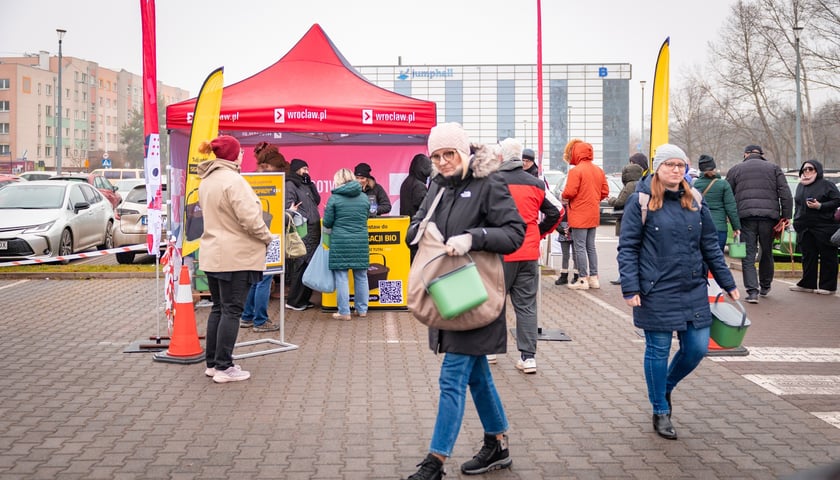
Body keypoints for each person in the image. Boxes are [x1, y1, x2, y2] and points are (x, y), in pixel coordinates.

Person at [403, 123, 525, 480]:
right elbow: (416, 223)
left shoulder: (489, 183)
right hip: (447, 295)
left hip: (475, 296)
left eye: (448, 154)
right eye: (436, 156)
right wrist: (420, 231)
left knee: (452, 377)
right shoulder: (437, 187)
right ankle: (497, 444)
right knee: (479, 378)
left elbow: (514, 233)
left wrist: (474, 238)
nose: (442, 161)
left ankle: (435, 462)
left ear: (464, 152)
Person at [617, 143, 740, 440]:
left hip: (692, 287)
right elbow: (628, 248)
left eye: (680, 165)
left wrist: (728, 282)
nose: (676, 170)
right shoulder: (641, 201)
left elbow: (710, 244)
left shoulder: (695, 199)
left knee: (696, 348)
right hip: (655, 289)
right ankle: (660, 409)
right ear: (657, 167)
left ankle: (666, 386)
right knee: (658, 350)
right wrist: (630, 286)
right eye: (669, 165)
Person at [197, 135, 273, 383]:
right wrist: (267, 237)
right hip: (236, 256)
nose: (242, 156)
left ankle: (213, 363)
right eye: (240, 152)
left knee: (219, 309)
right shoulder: (233, 181)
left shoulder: (207, 180)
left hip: (212, 253)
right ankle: (224, 367)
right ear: (232, 154)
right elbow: (251, 219)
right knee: (232, 311)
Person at [496, 138, 560, 374]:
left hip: (499, 251)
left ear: (501, 157)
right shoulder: (537, 184)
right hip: (528, 251)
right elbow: (558, 211)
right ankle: (528, 357)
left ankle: (492, 350)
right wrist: (540, 232)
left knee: (495, 302)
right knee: (526, 305)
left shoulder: (491, 183)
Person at [725, 144, 793, 303]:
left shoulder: (736, 169)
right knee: (767, 251)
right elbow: (785, 193)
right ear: (762, 154)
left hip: (745, 216)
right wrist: (786, 216)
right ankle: (765, 285)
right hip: (769, 217)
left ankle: (752, 291)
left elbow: (727, 195)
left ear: (745, 154)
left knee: (748, 255)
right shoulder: (774, 168)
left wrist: (731, 217)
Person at [239, 142, 288, 332]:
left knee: (257, 278)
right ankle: (260, 321)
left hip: (254, 235)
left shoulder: (250, 181)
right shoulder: (273, 181)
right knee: (264, 280)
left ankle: (247, 316)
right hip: (268, 235)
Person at [561, 139, 610, 290]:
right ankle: (594, 278)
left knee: (579, 247)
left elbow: (569, 192)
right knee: (591, 247)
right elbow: (605, 192)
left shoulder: (576, 171)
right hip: (593, 213)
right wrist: (593, 199)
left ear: (576, 153)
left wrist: (563, 196)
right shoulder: (598, 170)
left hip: (578, 214)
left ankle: (583, 279)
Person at [323, 168, 370, 321]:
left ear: (338, 181)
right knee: (361, 276)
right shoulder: (364, 198)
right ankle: (362, 309)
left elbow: (328, 222)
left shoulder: (334, 198)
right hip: (360, 240)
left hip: (340, 241)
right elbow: (366, 217)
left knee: (342, 276)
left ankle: (344, 312)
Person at [790, 159, 840, 294]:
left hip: (824, 226)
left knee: (828, 257)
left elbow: (837, 200)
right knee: (808, 256)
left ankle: (828, 286)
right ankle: (807, 284)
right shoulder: (801, 185)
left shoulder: (827, 185)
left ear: (817, 171)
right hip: (805, 227)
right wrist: (796, 221)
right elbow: (799, 205)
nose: (807, 172)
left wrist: (820, 206)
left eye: (810, 169)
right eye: (804, 169)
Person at [284, 157, 322, 311]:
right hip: (303, 229)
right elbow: (289, 206)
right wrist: (297, 214)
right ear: (296, 170)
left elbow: (317, 201)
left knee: (309, 265)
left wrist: (311, 185)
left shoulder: (306, 185)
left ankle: (304, 299)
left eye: (308, 169)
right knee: (301, 264)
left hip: (313, 229)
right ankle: (294, 300)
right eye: (304, 169)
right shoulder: (290, 184)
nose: (307, 171)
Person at [692, 154, 741, 252]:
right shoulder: (723, 184)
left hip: (700, 226)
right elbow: (731, 208)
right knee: (716, 258)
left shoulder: (694, 184)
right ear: (714, 167)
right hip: (719, 228)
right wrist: (736, 227)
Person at [399, 153, 432, 263]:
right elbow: (426, 209)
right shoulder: (419, 186)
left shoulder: (406, 182)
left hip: (408, 229)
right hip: (417, 230)